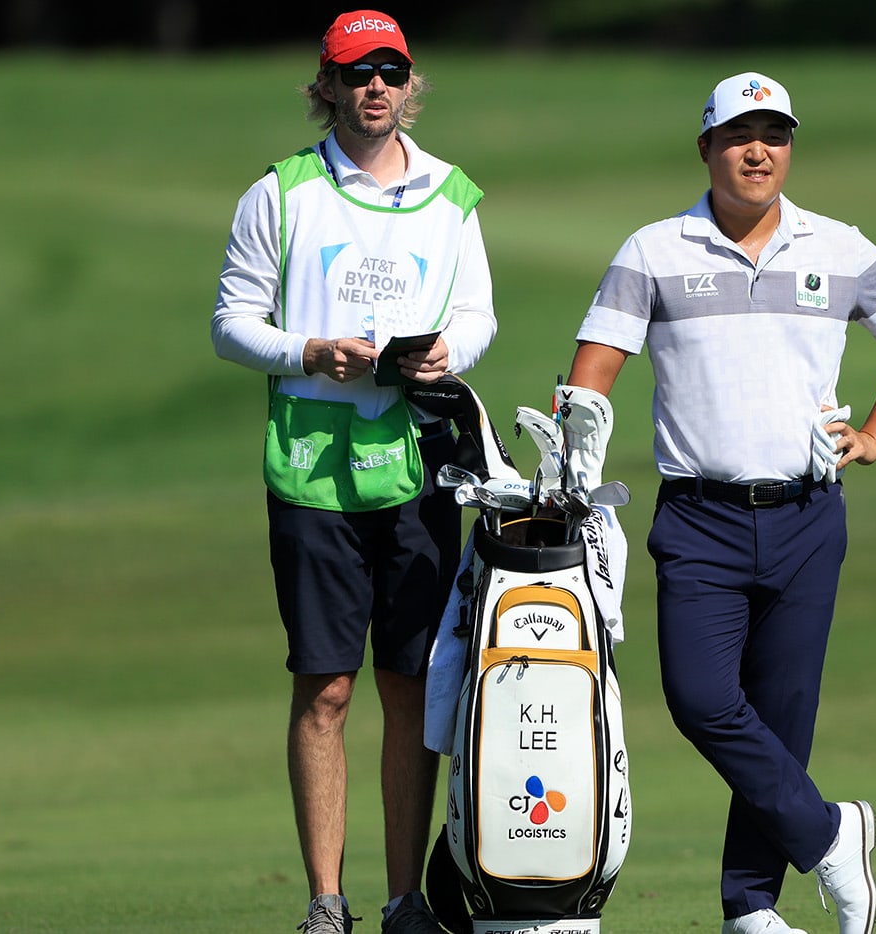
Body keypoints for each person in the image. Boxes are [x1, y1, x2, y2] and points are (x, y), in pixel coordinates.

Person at [564, 72, 876, 934]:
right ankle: (834, 838)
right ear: (707, 149)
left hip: (810, 516)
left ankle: (750, 907)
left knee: (781, 717)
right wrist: (572, 455)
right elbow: (594, 370)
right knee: (700, 699)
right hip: (700, 519)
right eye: (739, 135)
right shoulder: (653, 251)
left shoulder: (838, 246)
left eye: (774, 134)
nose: (758, 150)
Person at [210, 10, 494, 933]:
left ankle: (406, 898)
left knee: (411, 685)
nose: (375, 85)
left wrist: (449, 351)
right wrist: (309, 352)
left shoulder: (452, 194)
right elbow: (231, 323)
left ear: (411, 85)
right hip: (312, 467)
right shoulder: (282, 193)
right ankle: (325, 900)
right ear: (324, 86)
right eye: (354, 71)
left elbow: (478, 313)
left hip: (417, 461)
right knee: (325, 684)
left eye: (390, 69)